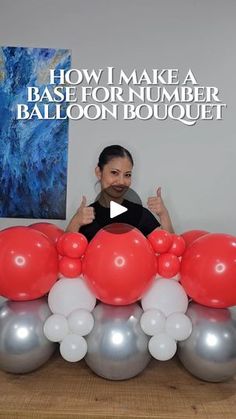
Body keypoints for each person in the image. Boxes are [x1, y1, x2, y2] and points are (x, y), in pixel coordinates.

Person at [66, 145, 174, 241]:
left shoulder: (141, 215)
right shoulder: (85, 217)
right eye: (114, 173)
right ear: (99, 172)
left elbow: (170, 250)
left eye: (127, 175)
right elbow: (65, 253)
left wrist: (163, 214)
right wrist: (75, 222)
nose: (121, 182)